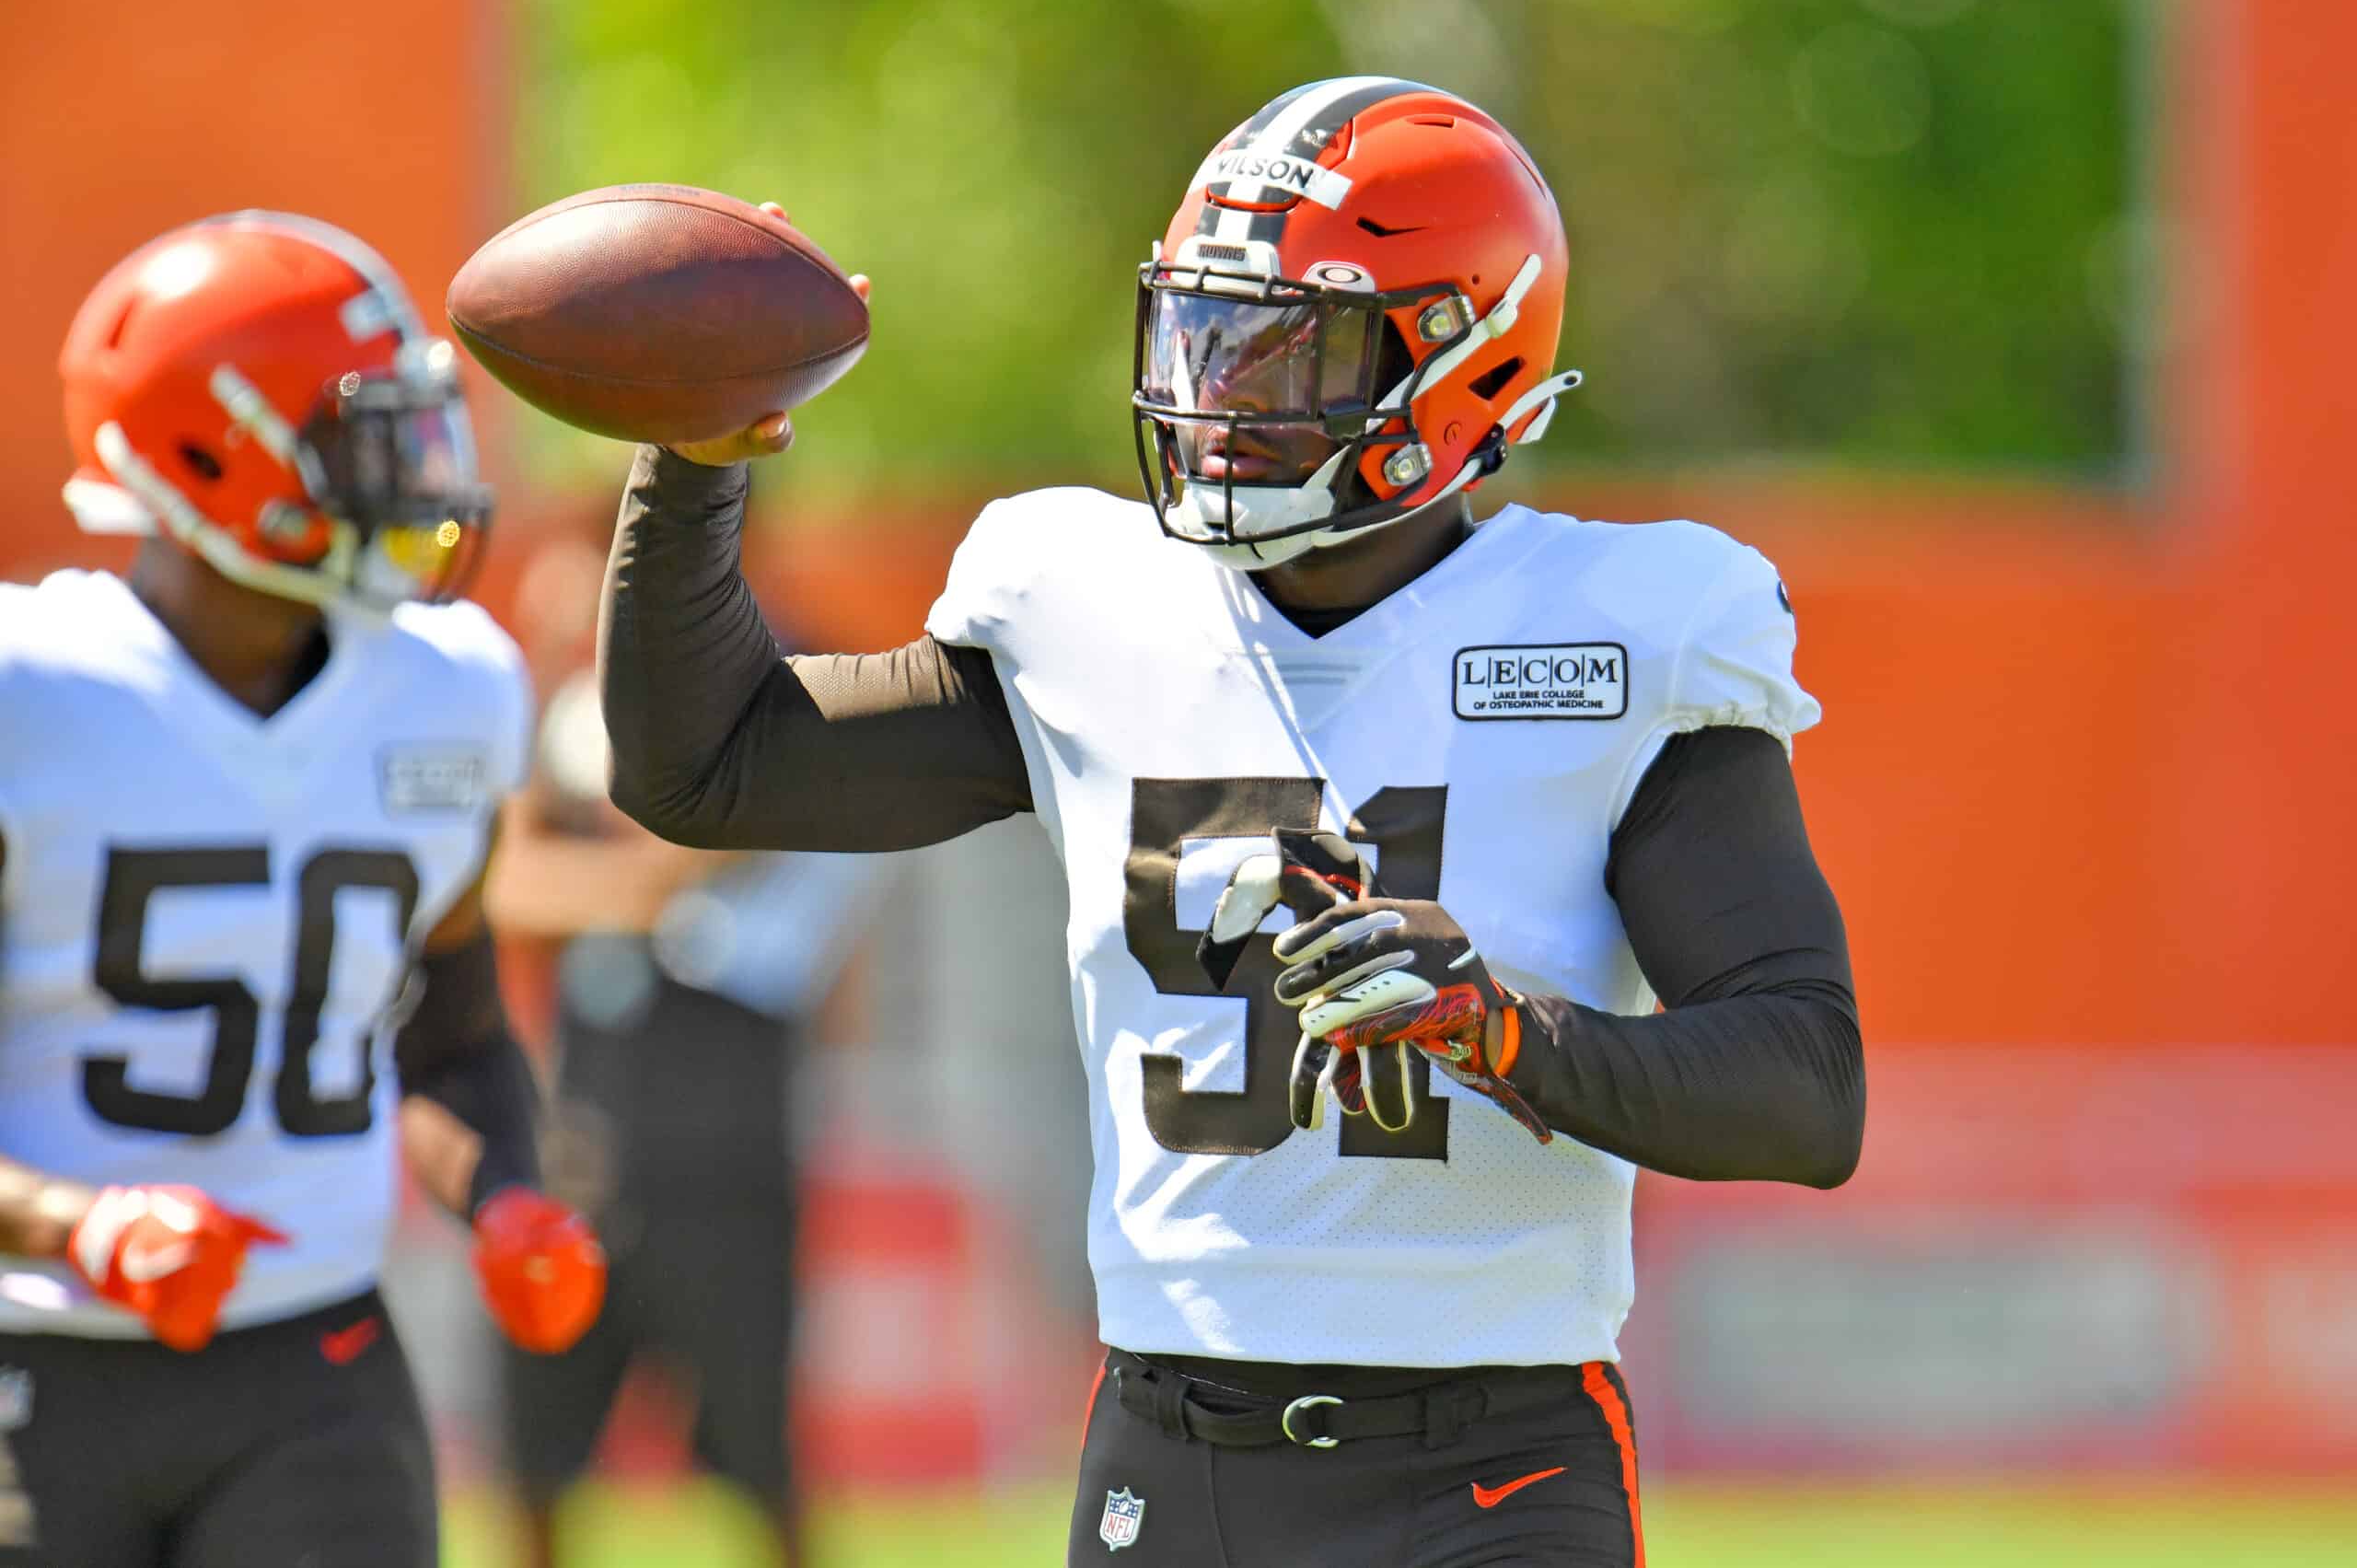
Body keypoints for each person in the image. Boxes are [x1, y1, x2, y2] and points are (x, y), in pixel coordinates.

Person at [597, 77, 1864, 1568]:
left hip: (1496, 1460)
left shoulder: (1620, 635)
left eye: (1287, 349)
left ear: (1457, 361)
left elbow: (1805, 1087)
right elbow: (704, 767)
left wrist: (1505, 1031)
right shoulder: (1090, 606)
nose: (1224, 392)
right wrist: (691, 455)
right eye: (1207, 333)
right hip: (1171, 1449)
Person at [0, 212, 607, 1568]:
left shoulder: (448, 688)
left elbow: (448, 1030)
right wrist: (72, 1219)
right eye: (363, 437)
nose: (415, 477)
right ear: (209, 449)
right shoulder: (28, 696)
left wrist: (507, 1189)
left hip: (316, 1364)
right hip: (31, 1365)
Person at [489, 531, 879, 1568]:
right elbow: (503, 884)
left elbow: (693, 856)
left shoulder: (788, 697)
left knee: (758, 1457)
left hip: (724, 1146)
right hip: (583, 1139)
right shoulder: (583, 712)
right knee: (531, 1456)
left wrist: (602, 872)